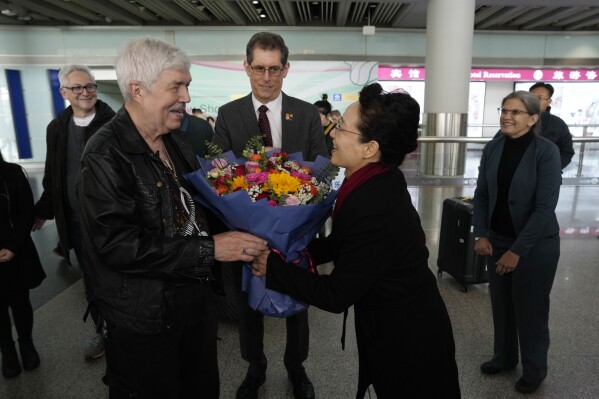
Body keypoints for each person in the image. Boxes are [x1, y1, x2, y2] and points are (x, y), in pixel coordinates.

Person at [76, 36, 267, 399]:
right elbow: (118, 247)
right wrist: (210, 250)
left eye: (187, 86)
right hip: (145, 315)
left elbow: (199, 209)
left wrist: (252, 237)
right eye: (176, 86)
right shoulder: (104, 155)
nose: (187, 98)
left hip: (193, 300)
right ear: (138, 90)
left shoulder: (175, 141)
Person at [252, 83, 461, 398]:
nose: (333, 134)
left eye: (342, 128)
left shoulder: (375, 205)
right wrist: (291, 248)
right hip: (392, 325)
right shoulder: (372, 181)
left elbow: (336, 294)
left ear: (369, 148)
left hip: (410, 339)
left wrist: (273, 268)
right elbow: (345, 244)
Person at [212, 31, 327, 399]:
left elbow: (321, 171)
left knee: (298, 302)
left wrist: (304, 214)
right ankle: (254, 367)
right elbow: (222, 175)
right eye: (258, 68)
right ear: (246, 68)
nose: (266, 77)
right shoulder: (229, 116)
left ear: (286, 69)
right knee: (249, 304)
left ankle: (297, 368)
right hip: (246, 230)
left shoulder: (307, 113)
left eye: (274, 69)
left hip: (295, 231)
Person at [473, 91, 562, 394]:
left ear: (533, 118)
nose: (507, 116)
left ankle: (535, 370)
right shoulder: (493, 147)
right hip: (497, 240)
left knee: (531, 308)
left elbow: (544, 208)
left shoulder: (545, 152)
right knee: (501, 304)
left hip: (535, 246)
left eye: (516, 112)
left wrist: (516, 251)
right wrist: (481, 232)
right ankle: (505, 357)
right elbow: (482, 193)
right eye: (504, 110)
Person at [31, 64, 115, 361]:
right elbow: (54, 174)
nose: (85, 92)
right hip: (77, 222)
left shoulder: (115, 124)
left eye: (90, 86)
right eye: (77, 88)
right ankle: (102, 330)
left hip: (113, 221)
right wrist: (42, 210)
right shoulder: (57, 127)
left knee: (119, 275)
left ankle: (127, 329)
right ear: (64, 92)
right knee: (91, 279)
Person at [0, 152, 46, 379]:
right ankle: (7, 351)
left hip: (14, 253)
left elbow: (25, 212)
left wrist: (13, 247)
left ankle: (26, 344)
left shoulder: (12, 173)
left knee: (20, 302)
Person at [528, 82, 574, 170]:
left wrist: (553, 169)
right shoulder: (518, 120)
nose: (534, 101)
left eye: (539, 98)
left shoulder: (559, 124)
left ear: (549, 101)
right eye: (531, 97)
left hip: (548, 176)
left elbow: (567, 152)